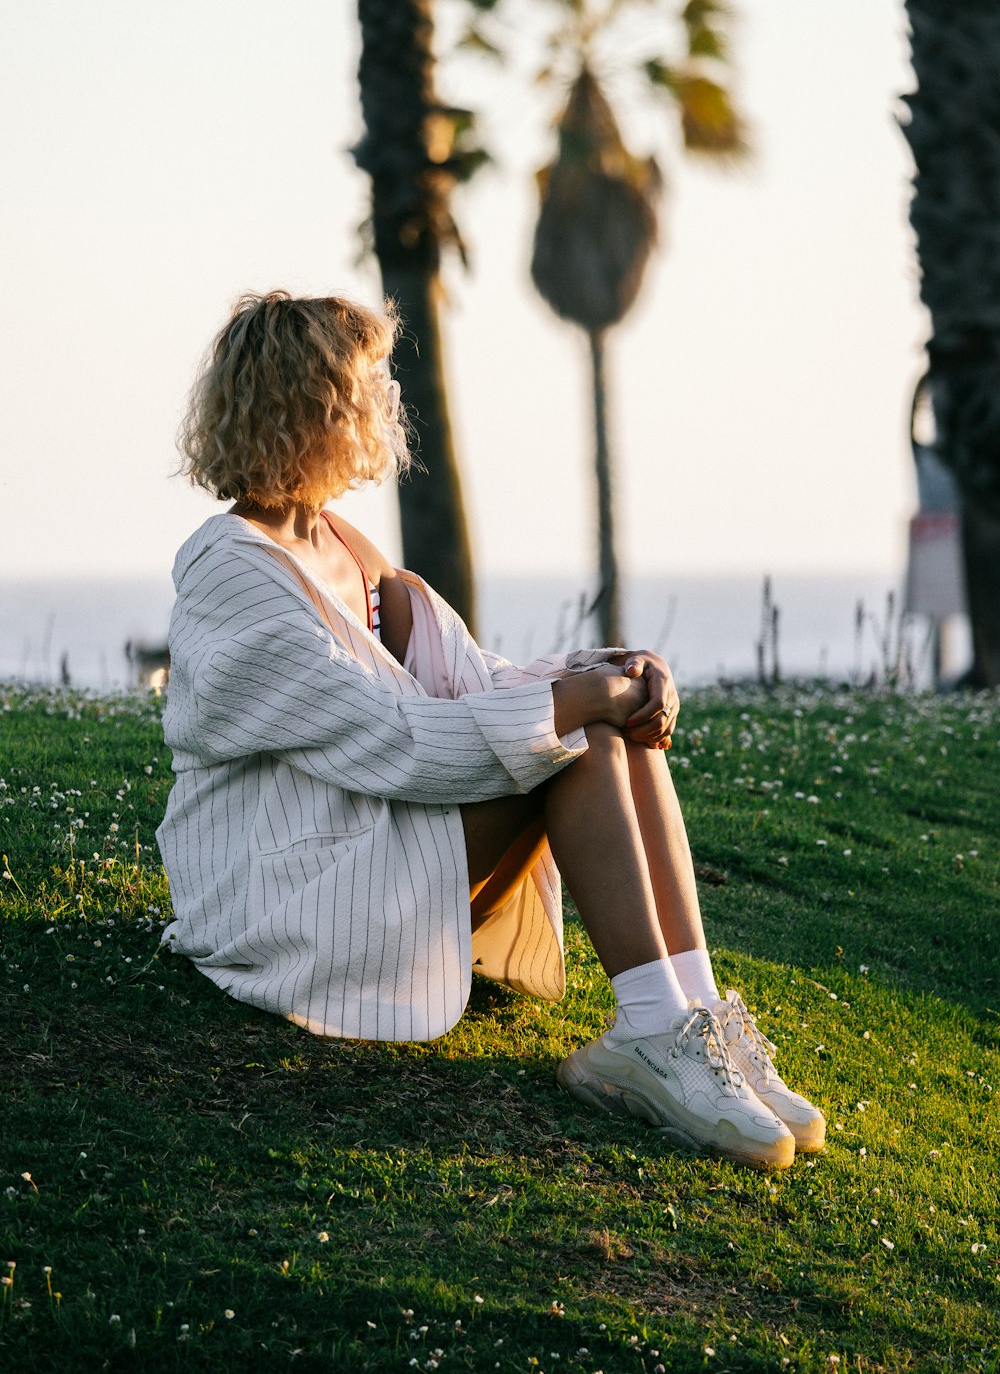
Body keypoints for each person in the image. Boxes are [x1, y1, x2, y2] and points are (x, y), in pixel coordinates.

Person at [157, 290, 825, 1171]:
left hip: (368, 842)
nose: (382, 406)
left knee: (603, 725)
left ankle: (695, 1017)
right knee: (577, 740)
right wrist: (581, 705)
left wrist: (615, 673)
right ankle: (651, 1035)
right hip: (288, 898)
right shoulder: (232, 572)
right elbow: (398, 741)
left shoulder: (347, 549)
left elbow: (481, 687)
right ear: (309, 405)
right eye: (365, 386)